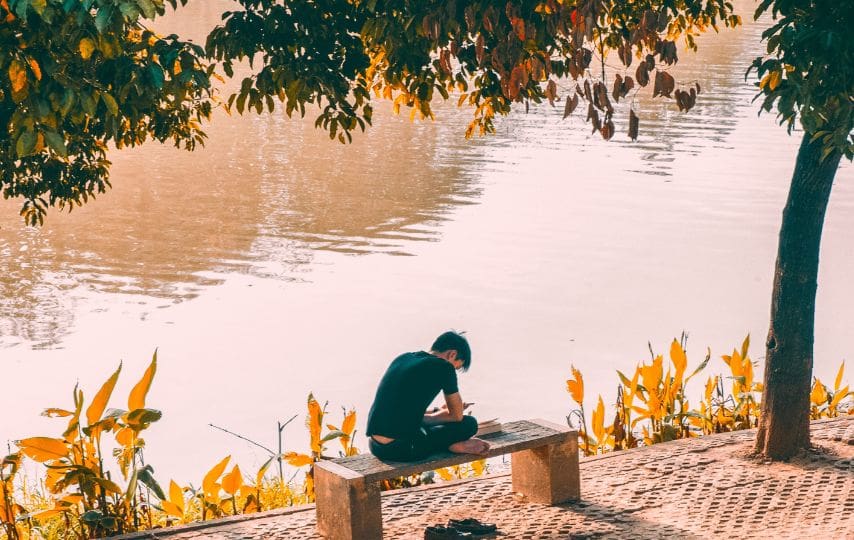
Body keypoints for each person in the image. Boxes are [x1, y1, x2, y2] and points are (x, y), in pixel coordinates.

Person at [366, 330, 491, 461]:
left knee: (430, 426)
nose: (453, 371)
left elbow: (402, 412)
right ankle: (451, 446)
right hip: (404, 448)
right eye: (455, 367)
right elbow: (457, 416)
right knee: (469, 424)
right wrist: (447, 413)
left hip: (376, 446)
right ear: (452, 354)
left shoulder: (403, 358)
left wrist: (438, 412)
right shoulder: (444, 367)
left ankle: (447, 443)